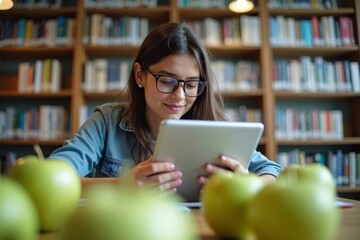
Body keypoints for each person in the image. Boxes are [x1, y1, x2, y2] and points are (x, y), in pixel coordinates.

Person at [48, 22, 282, 194]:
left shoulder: (215, 127)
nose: (179, 96)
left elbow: (271, 170)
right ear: (140, 75)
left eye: (190, 84)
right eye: (168, 81)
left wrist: (248, 184)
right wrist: (121, 185)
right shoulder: (107, 122)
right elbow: (53, 177)